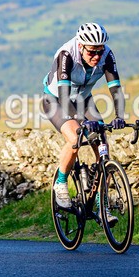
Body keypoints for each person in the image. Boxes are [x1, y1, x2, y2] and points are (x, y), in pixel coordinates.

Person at [41, 22, 127, 218]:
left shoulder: (107, 55)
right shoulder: (66, 54)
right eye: (92, 52)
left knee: (102, 144)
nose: (97, 56)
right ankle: (61, 183)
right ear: (81, 46)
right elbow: (64, 97)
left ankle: (101, 202)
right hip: (56, 100)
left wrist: (119, 117)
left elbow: (115, 88)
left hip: (82, 99)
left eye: (100, 50)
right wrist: (81, 121)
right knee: (75, 138)